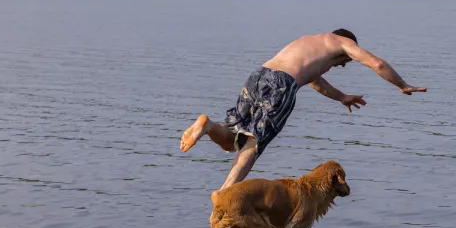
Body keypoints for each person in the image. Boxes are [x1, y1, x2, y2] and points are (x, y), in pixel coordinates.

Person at [180, 29, 426, 190]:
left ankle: (208, 125)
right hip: (281, 84)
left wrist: (341, 97)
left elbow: (314, 80)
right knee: (253, 142)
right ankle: (225, 194)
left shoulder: (309, 41)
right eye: (346, 61)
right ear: (348, 42)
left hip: (259, 75)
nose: (343, 64)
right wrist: (402, 85)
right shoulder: (343, 42)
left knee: (230, 139)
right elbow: (377, 63)